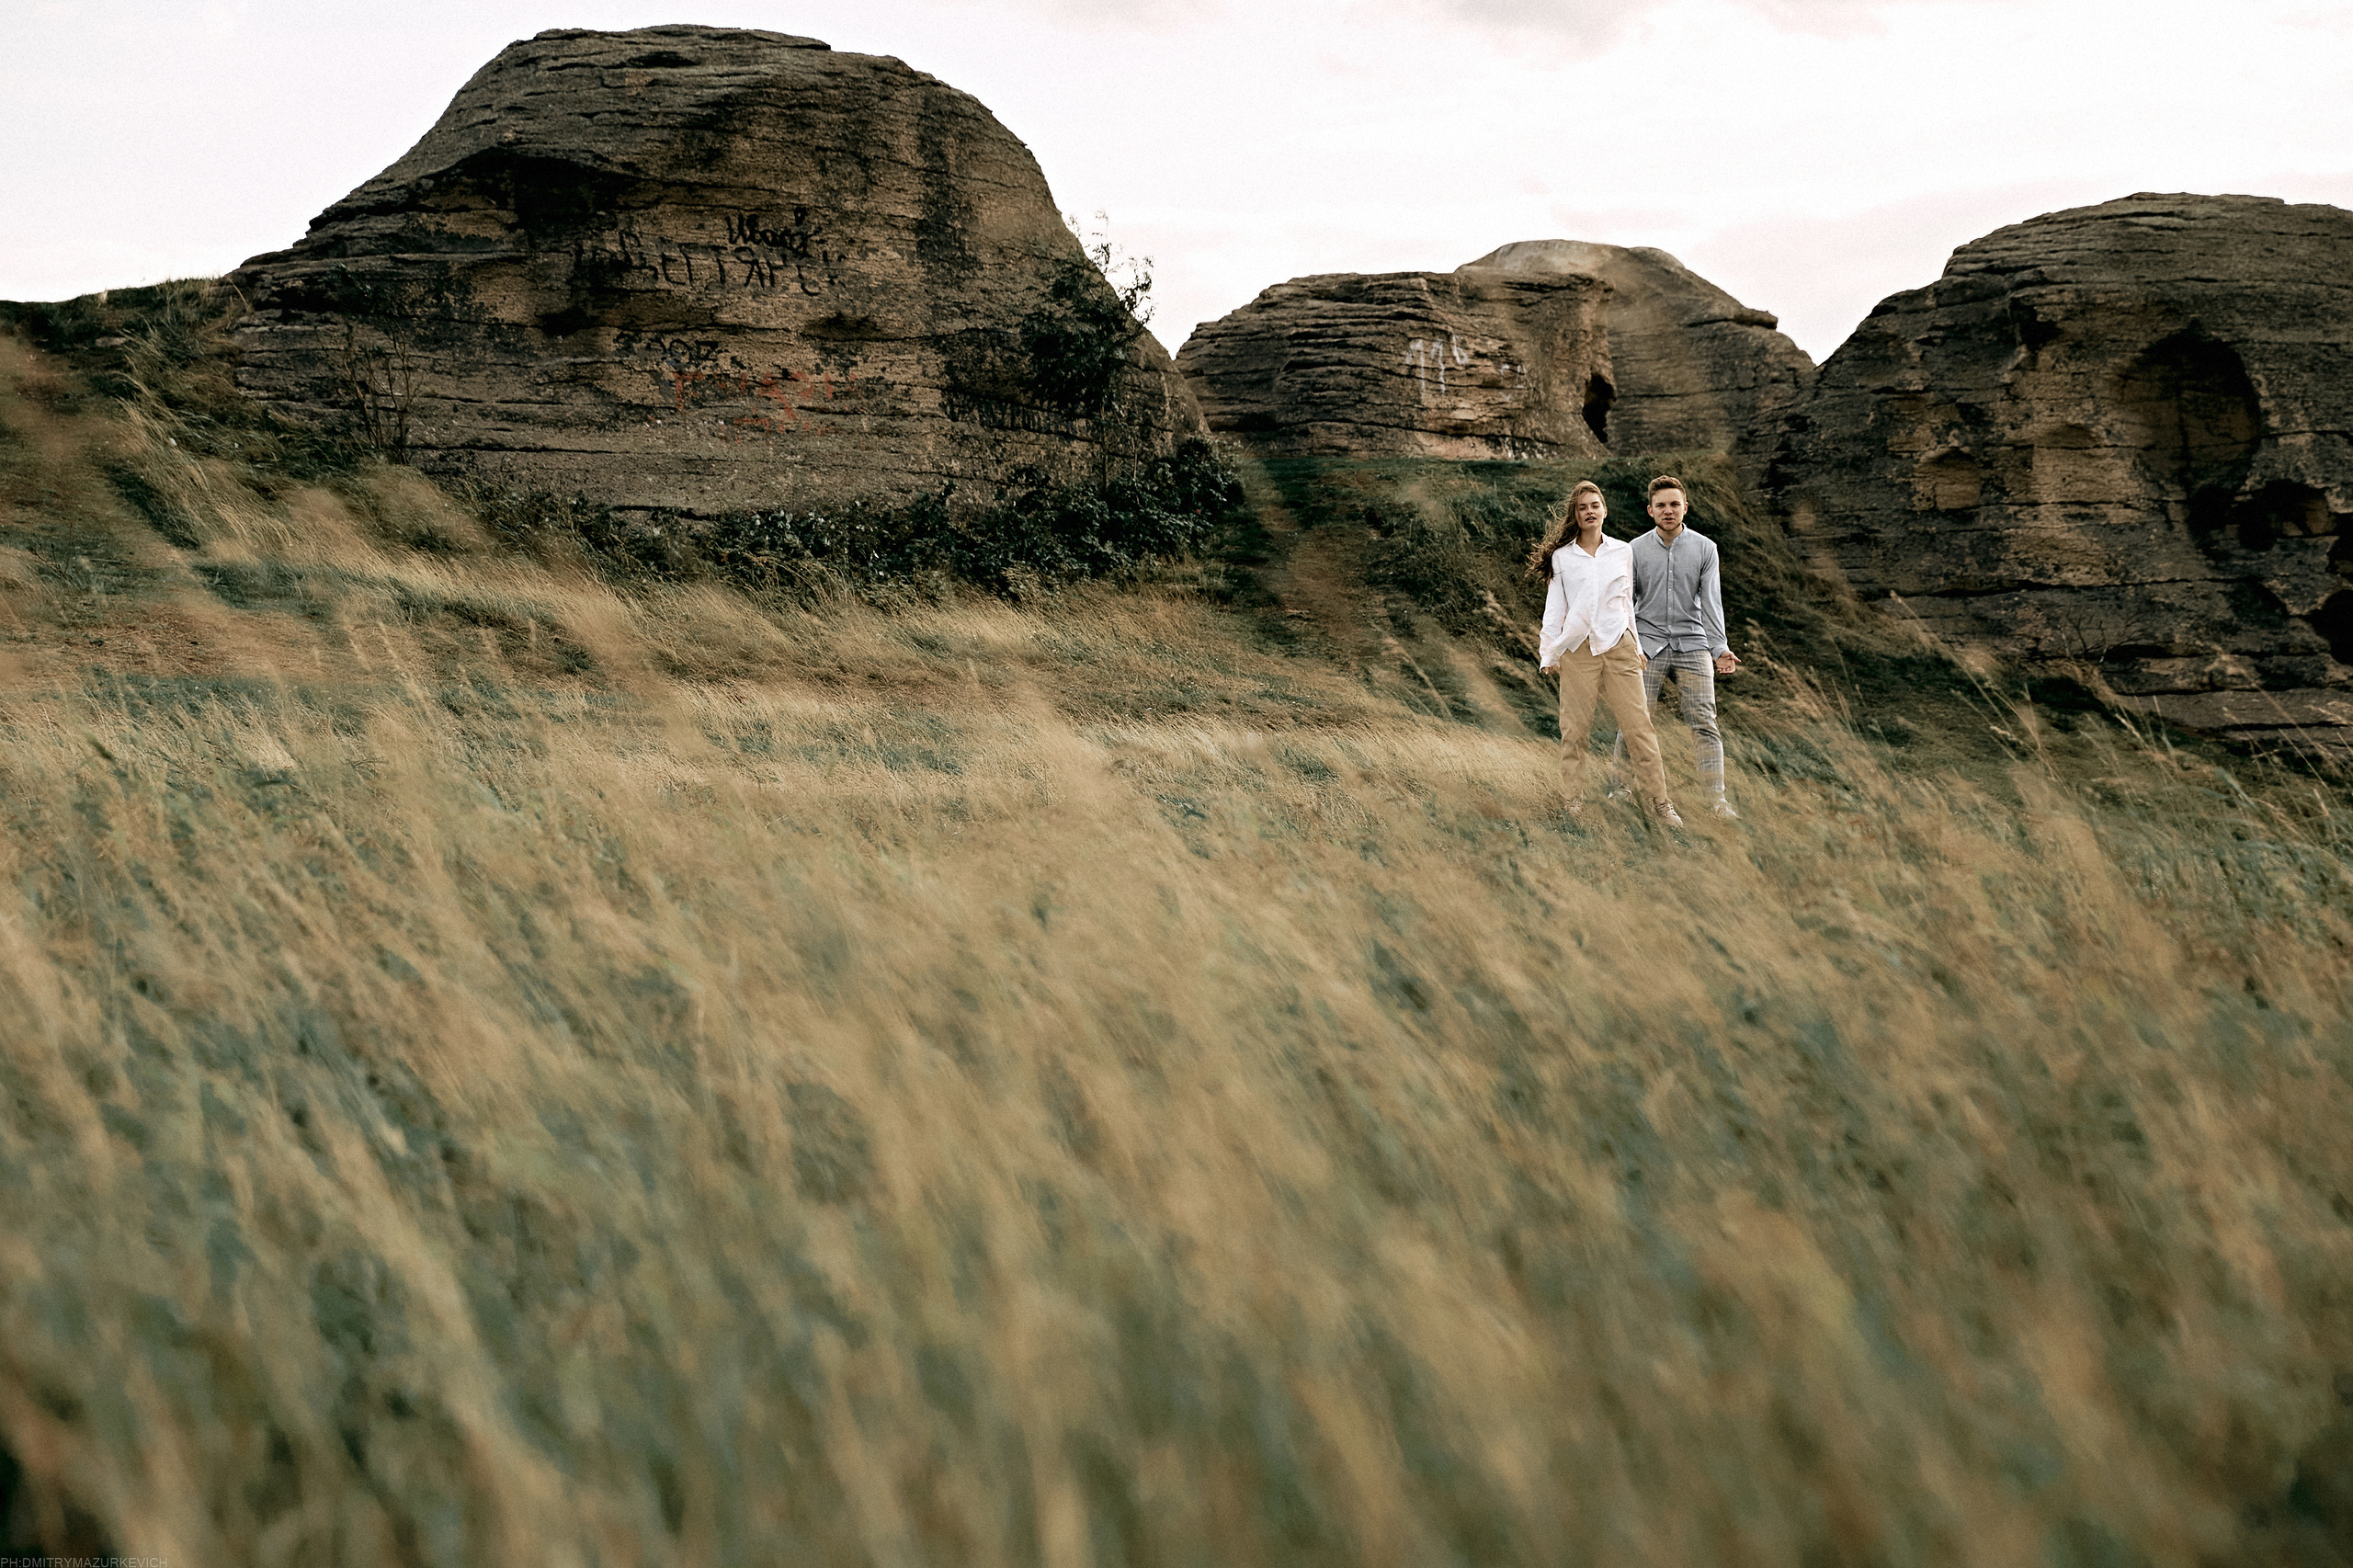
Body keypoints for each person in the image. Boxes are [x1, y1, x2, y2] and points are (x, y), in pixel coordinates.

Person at [1530, 481, 1682, 826]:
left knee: (1639, 729)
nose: (1589, 512)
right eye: (1583, 507)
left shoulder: (1622, 551)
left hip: (1619, 646)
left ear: (1604, 511)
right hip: (1579, 650)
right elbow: (1554, 610)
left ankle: (1661, 804)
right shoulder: (1563, 557)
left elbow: (1626, 602)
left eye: (1595, 505)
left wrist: (1637, 646)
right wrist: (1548, 654)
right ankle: (1572, 803)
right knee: (1574, 731)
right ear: (1576, 514)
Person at [1612, 474, 1742, 819]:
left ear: (1685, 507)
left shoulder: (1705, 549)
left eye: (1674, 504)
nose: (1668, 511)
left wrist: (1720, 648)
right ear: (1650, 511)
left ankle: (1717, 802)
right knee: (1635, 720)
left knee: (1704, 722)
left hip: (1693, 643)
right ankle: (1621, 791)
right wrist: (1628, 644)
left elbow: (1712, 603)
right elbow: (1625, 602)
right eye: (1661, 505)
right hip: (1648, 645)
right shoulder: (1633, 550)